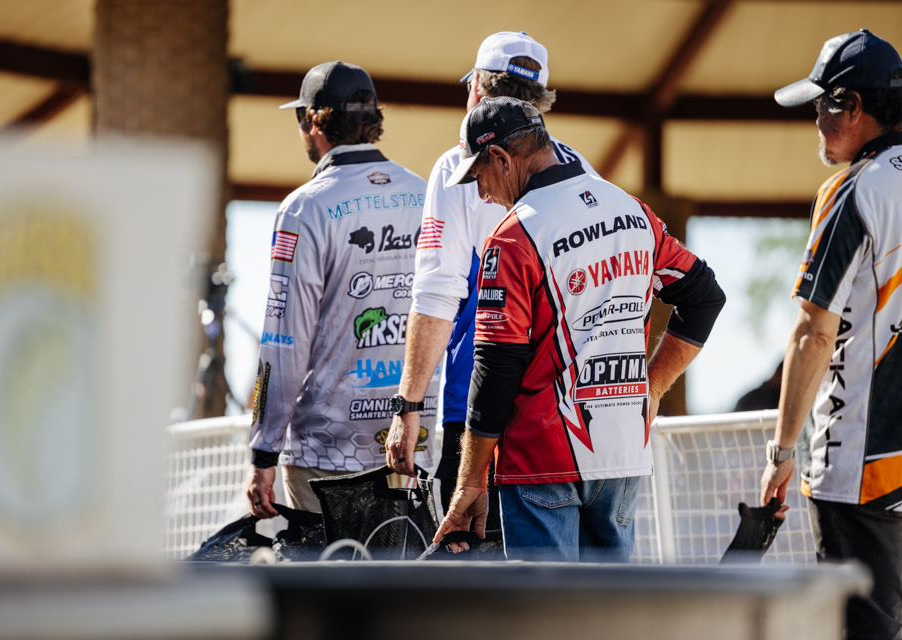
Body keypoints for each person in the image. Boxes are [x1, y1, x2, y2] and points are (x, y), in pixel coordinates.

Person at [432, 96, 725, 561]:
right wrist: (651, 388)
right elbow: (705, 297)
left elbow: (495, 370)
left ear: (502, 159)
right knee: (609, 603)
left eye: (478, 176)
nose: (481, 194)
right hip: (622, 453)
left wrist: (470, 481)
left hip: (541, 461)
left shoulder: (512, 237)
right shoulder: (634, 212)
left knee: (548, 605)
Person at [385, 32, 600, 524]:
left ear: (478, 90)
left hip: (479, 410)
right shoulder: (581, 168)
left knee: (469, 560)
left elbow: (437, 294)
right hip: (572, 414)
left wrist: (408, 405)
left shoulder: (457, 166)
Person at [246, 61, 439, 517]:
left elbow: (283, 341)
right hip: (414, 444)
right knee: (402, 567)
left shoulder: (304, 209)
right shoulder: (425, 195)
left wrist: (263, 451)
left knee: (327, 567)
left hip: (327, 452)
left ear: (313, 122)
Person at [760, 28, 902, 639]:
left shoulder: (855, 188)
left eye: (822, 105)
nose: (815, 120)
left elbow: (813, 334)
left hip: (862, 463)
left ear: (853, 106)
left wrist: (781, 453)